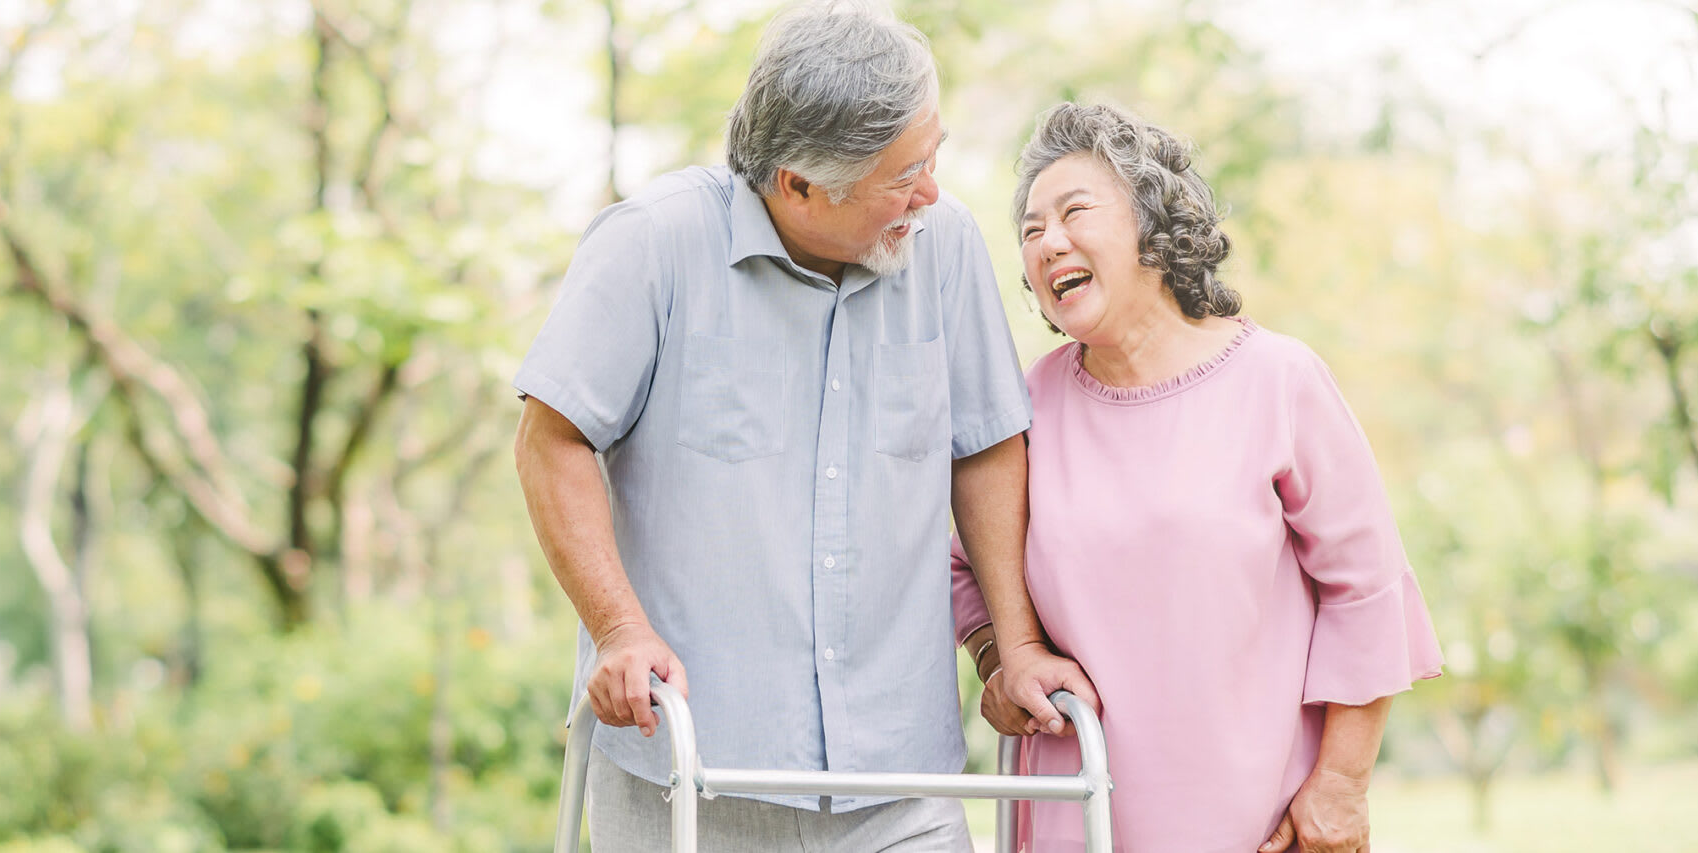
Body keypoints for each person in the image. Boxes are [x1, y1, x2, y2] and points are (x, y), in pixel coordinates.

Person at [511, 4, 1088, 850]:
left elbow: (986, 449)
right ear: (798, 184)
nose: (930, 191)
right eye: (904, 174)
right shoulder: (653, 244)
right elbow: (551, 438)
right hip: (688, 774)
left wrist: (1017, 643)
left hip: (900, 783)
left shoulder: (946, 244)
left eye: (932, 156)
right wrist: (619, 629)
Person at [951, 102, 1445, 853]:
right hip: (1074, 817)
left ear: (1154, 229)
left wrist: (1342, 783)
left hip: (1255, 822)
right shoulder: (1022, 408)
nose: (1049, 242)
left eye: (1074, 212)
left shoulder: (1278, 380)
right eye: (1029, 230)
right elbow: (964, 568)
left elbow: (1367, 589)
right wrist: (1002, 658)